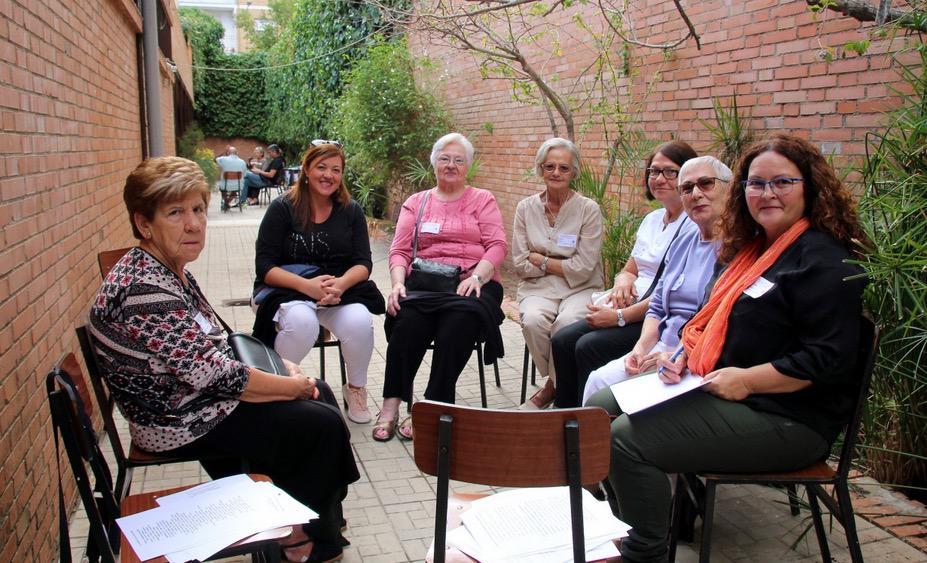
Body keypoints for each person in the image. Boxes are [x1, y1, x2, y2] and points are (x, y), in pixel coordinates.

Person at [586, 134, 868, 563]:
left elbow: (826, 360)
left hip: (790, 417)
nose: (767, 193)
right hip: (718, 384)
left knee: (623, 442)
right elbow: (713, 321)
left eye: (782, 182)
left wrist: (747, 380)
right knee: (598, 409)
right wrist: (683, 356)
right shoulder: (753, 250)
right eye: (756, 183)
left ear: (809, 187)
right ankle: (633, 520)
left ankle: (647, 549)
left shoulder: (824, 261)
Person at [88, 156, 358, 563]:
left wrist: (284, 370)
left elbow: (212, 338)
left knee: (318, 396)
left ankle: (315, 515)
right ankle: (304, 539)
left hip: (193, 396)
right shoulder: (145, 288)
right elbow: (217, 376)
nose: (194, 223)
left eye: (198, 208)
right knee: (316, 421)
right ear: (144, 223)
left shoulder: (168, 266)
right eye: (175, 213)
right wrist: (289, 385)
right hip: (173, 420)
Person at [373, 133, 508, 442]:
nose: (451, 165)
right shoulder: (416, 202)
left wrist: (477, 277)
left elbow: (497, 245)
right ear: (433, 163)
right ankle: (390, 406)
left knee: (458, 324)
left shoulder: (482, 199)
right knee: (405, 321)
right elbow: (400, 251)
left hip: (473, 282)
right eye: (445, 158)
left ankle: (432, 405)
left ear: (468, 166)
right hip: (425, 283)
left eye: (458, 160)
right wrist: (396, 285)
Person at [549, 140, 698, 408]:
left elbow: (667, 294)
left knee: (588, 346)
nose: (659, 178)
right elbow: (631, 267)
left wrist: (617, 318)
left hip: (650, 315)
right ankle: (564, 415)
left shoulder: (693, 226)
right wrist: (622, 282)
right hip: (627, 303)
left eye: (669, 172)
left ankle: (589, 420)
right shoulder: (652, 220)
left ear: (687, 177)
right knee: (562, 340)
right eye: (654, 171)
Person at [581, 156, 732, 404]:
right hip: (660, 346)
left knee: (609, 402)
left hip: (694, 358)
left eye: (706, 184)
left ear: (730, 190)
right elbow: (658, 304)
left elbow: (720, 320)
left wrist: (675, 354)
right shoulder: (684, 239)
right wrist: (639, 350)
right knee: (597, 380)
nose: (695, 194)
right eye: (687, 188)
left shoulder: (736, 248)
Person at [252, 142, 385, 424]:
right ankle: (280, 391)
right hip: (287, 290)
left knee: (360, 320)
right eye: (321, 167)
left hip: (337, 292)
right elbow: (265, 267)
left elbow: (364, 263)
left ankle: (356, 389)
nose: (328, 175)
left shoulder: (350, 211)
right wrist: (308, 287)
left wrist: (340, 285)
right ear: (307, 170)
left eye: (335, 170)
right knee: (302, 322)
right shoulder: (282, 209)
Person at [513, 138, 604, 409]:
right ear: (540, 169)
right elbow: (519, 262)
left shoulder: (588, 209)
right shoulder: (525, 208)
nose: (556, 173)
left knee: (566, 324)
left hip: (581, 287)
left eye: (563, 168)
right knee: (532, 320)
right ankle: (561, 384)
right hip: (538, 287)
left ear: (574, 172)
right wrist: (554, 264)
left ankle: (553, 387)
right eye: (549, 166)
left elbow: (584, 266)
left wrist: (540, 259)